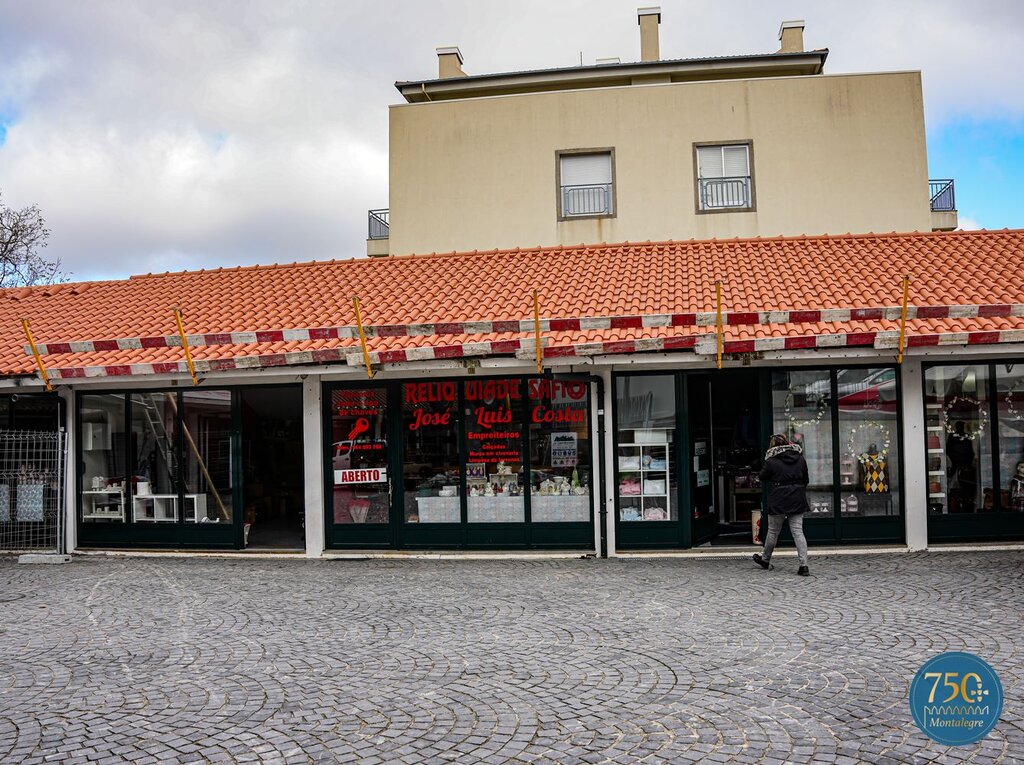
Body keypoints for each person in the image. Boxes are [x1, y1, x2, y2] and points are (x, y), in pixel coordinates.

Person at [753, 434, 811, 576]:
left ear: (773, 446)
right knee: (798, 531)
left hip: (779, 497)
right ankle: (804, 566)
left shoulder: (772, 461)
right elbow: (806, 479)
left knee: (773, 531)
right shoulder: (800, 458)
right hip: (797, 496)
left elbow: (762, 477)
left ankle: (765, 560)